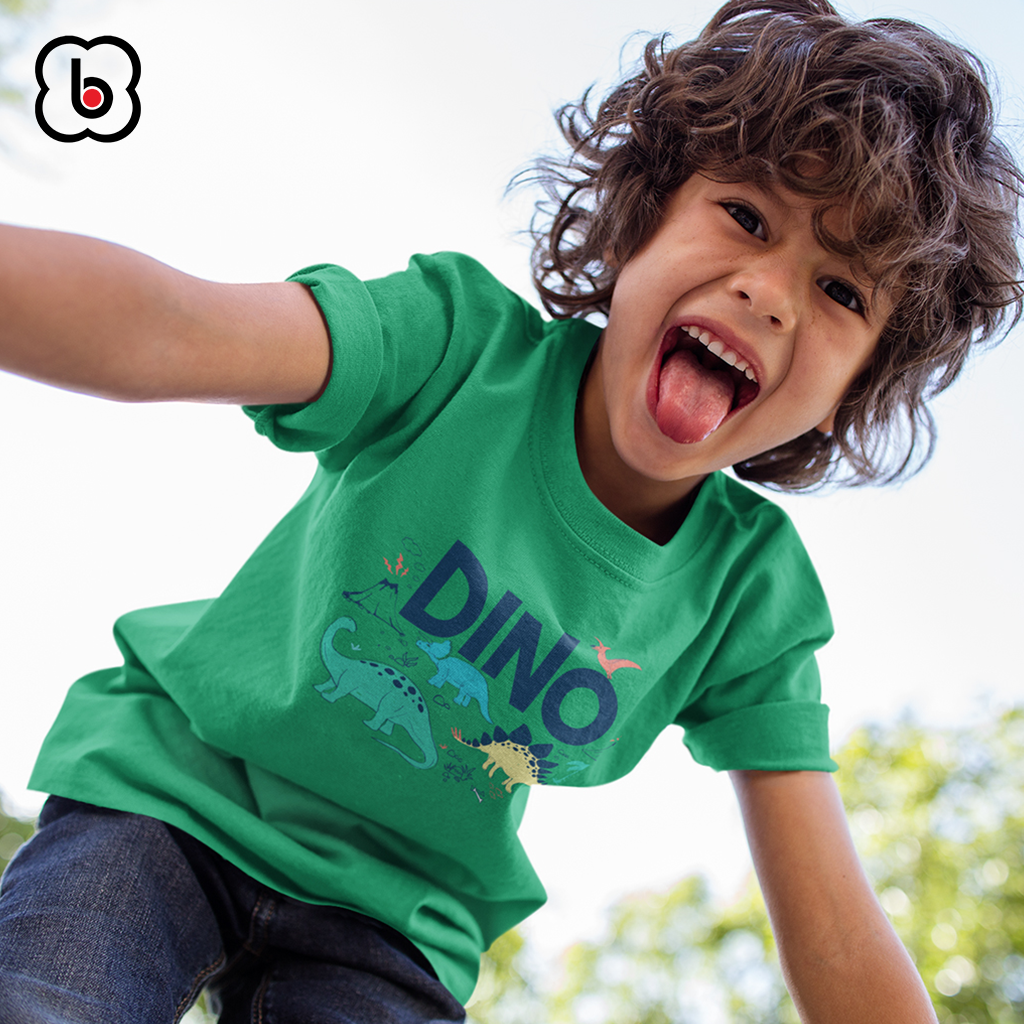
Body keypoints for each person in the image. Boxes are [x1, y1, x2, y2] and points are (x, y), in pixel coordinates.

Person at [0, 1, 1020, 1021]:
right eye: (747, 218)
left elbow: (835, 931)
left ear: (853, 387)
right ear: (642, 218)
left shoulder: (745, 598)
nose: (770, 293)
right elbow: (170, 328)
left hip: (391, 919)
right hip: (173, 799)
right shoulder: (452, 351)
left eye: (841, 291)